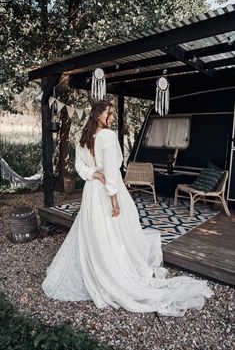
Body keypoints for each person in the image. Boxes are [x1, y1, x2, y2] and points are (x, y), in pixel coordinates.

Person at [42, 100, 213, 316]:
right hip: (107, 191)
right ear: (98, 115)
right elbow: (112, 171)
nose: (113, 118)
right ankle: (112, 270)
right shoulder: (108, 136)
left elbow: (79, 166)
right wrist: (114, 198)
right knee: (117, 229)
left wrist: (92, 174)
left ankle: (96, 265)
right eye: (109, 114)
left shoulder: (84, 137)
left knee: (96, 231)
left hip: (91, 191)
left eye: (113, 114)